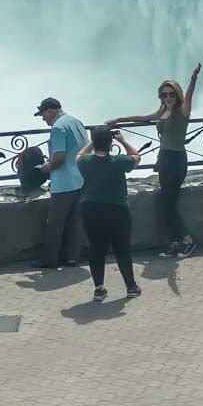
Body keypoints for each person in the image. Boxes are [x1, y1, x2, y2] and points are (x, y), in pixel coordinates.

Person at [107, 64, 202, 257]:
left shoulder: (182, 112)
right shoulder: (162, 111)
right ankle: (175, 243)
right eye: (164, 95)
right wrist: (119, 119)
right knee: (166, 203)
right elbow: (143, 118)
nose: (168, 98)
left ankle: (187, 240)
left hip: (176, 159)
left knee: (169, 202)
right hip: (164, 159)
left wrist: (193, 79)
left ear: (177, 95)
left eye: (171, 94)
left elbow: (190, 96)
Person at [77, 125, 144, 300]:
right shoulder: (119, 162)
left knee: (96, 249)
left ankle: (99, 289)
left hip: (90, 209)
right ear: (109, 143)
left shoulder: (85, 163)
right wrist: (122, 140)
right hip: (117, 211)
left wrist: (93, 141)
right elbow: (136, 156)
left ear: (95, 142)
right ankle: (131, 287)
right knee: (121, 249)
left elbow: (79, 155)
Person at [31, 97, 88, 269]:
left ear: (50, 111)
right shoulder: (76, 121)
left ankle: (49, 260)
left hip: (64, 182)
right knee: (74, 221)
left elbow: (59, 158)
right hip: (80, 178)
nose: (43, 119)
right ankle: (72, 258)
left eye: (43, 114)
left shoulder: (58, 127)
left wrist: (44, 168)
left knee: (55, 223)